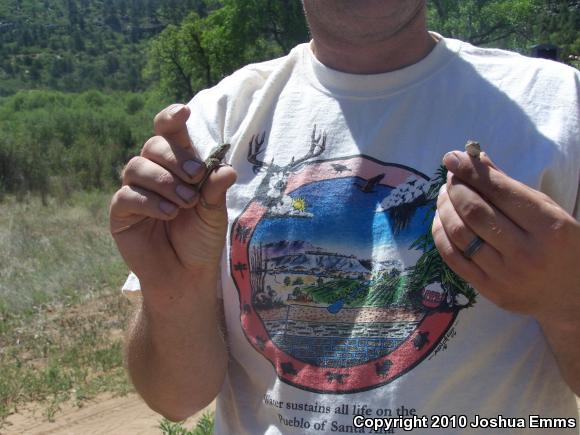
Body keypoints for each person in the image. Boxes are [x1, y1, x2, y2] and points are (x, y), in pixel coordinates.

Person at [109, 1, 580, 433]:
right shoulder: (218, 119)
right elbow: (175, 398)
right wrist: (174, 288)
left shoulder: (560, 105)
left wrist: (566, 301)